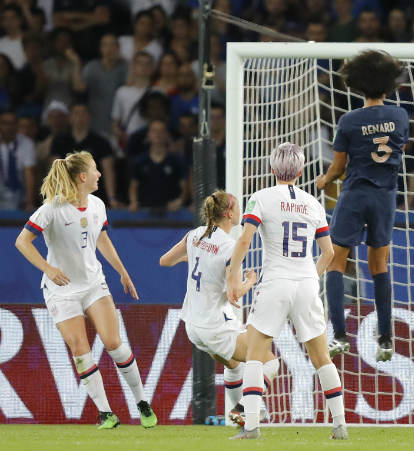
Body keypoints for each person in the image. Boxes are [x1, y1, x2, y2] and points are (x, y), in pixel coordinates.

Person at [14, 151, 156, 429]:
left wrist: (122, 271)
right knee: (81, 348)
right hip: (61, 291)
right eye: (95, 170)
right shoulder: (51, 209)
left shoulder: (97, 205)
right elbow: (22, 242)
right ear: (82, 177)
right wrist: (48, 269)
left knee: (114, 343)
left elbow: (102, 239)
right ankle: (106, 413)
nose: (99, 174)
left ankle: (142, 402)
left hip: (93, 284)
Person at [226, 142, 346, 440]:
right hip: (306, 283)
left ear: (271, 169)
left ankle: (251, 426)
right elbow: (329, 252)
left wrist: (232, 275)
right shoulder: (313, 203)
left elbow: (244, 241)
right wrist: (311, 277)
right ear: (301, 171)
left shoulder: (261, 198)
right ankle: (340, 425)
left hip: (276, 282)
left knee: (255, 354)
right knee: (321, 357)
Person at [315, 49, 408, 361]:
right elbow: (399, 148)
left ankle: (339, 335)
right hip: (385, 197)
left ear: (357, 84)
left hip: (355, 194)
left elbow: (339, 166)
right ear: (388, 85)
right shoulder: (400, 116)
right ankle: (385, 339)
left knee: (335, 261)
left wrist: (323, 180)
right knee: (379, 265)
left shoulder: (350, 121)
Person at [159, 190, 278, 428]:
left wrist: (193, 259)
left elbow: (165, 261)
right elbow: (234, 296)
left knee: (234, 365)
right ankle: (246, 408)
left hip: (193, 326)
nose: (240, 212)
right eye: (237, 208)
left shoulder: (194, 235)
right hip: (215, 325)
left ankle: (241, 419)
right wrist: (250, 281)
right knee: (269, 361)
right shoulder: (229, 247)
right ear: (228, 213)